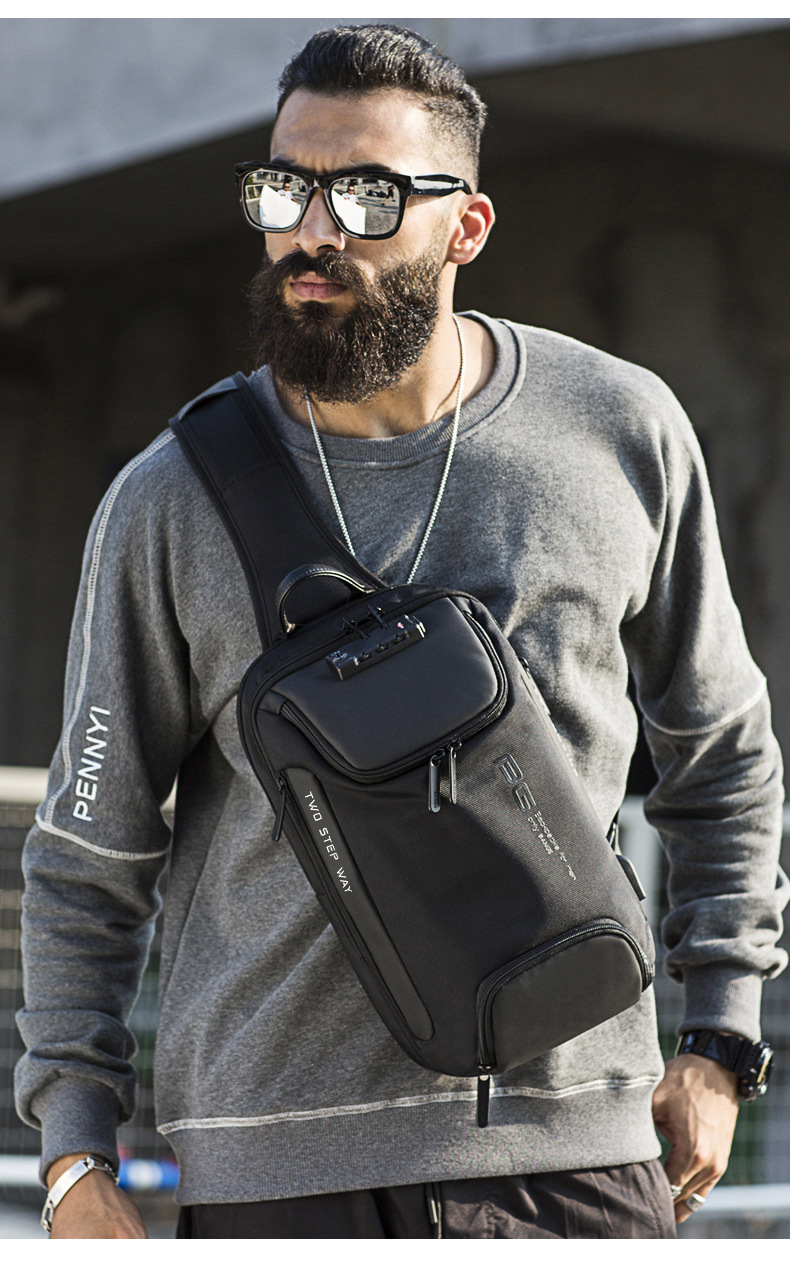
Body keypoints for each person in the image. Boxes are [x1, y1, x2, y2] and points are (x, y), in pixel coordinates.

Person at [16, 24, 787, 1240]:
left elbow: (724, 753)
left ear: (465, 226)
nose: (313, 232)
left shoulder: (619, 431)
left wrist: (721, 1035)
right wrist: (73, 1152)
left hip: (574, 1157)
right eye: (285, 190)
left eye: (368, 195)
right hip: (274, 1173)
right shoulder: (169, 501)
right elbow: (87, 848)